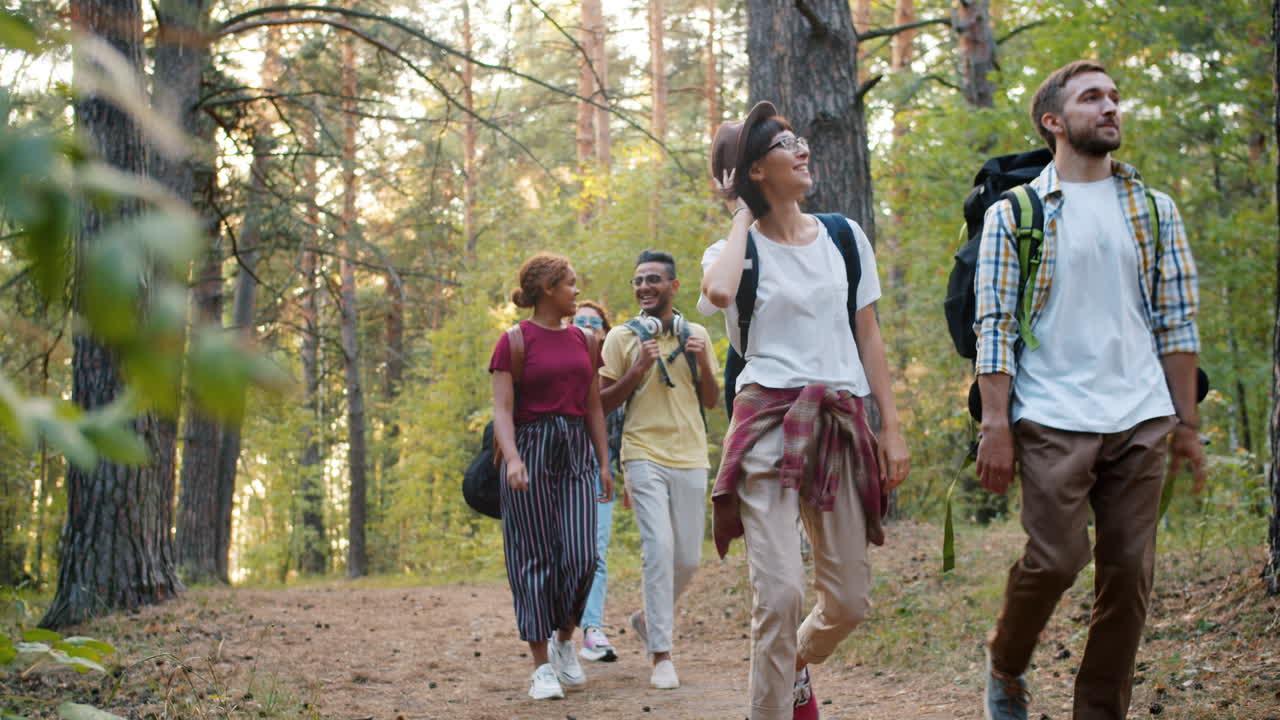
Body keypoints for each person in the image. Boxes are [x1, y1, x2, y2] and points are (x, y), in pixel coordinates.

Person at [973, 61, 1205, 720]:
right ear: (1053, 121)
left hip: (1142, 416)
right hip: (1051, 415)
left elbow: (1178, 323)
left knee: (1129, 576)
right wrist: (996, 423)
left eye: (1114, 97)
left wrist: (1186, 424)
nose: (1110, 108)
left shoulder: (1154, 210)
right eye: (1092, 98)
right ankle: (1007, 662)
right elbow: (992, 325)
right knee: (1055, 559)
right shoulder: (1016, 214)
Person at [699, 101, 911, 720]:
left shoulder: (845, 236)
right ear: (755, 171)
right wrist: (742, 210)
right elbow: (716, 291)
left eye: (797, 138)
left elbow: (868, 335)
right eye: (783, 144)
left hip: (841, 421)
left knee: (848, 600)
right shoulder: (734, 250)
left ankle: (792, 664)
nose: (802, 149)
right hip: (766, 422)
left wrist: (889, 427)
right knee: (780, 594)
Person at [489, 253, 614, 700]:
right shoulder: (514, 341)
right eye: (570, 284)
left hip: (576, 449)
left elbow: (594, 404)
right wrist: (514, 458)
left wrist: (603, 462)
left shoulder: (584, 340)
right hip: (531, 450)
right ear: (547, 289)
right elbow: (502, 409)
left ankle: (565, 640)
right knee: (533, 558)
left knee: (582, 555)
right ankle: (541, 667)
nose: (577, 292)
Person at [598, 250, 720, 690]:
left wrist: (703, 360)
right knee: (659, 549)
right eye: (638, 281)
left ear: (673, 286)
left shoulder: (698, 333)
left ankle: (647, 619)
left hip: (689, 455)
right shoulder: (620, 338)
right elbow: (602, 402)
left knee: (688, 557)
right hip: (641, 452)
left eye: (653, 279)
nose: (644, 287)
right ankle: (662, 656)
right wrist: (638, 369)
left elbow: (711, 400)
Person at [571, 300, 624, 663]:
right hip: (559, 469)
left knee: (596, 553)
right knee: (564, 554)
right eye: (581, 321)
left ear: (605, 332)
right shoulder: (557, 367)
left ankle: (592, 629)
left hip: (600, 470)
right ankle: (557, 631)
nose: (589, 327)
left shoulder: (615, 375)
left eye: (595, 322)